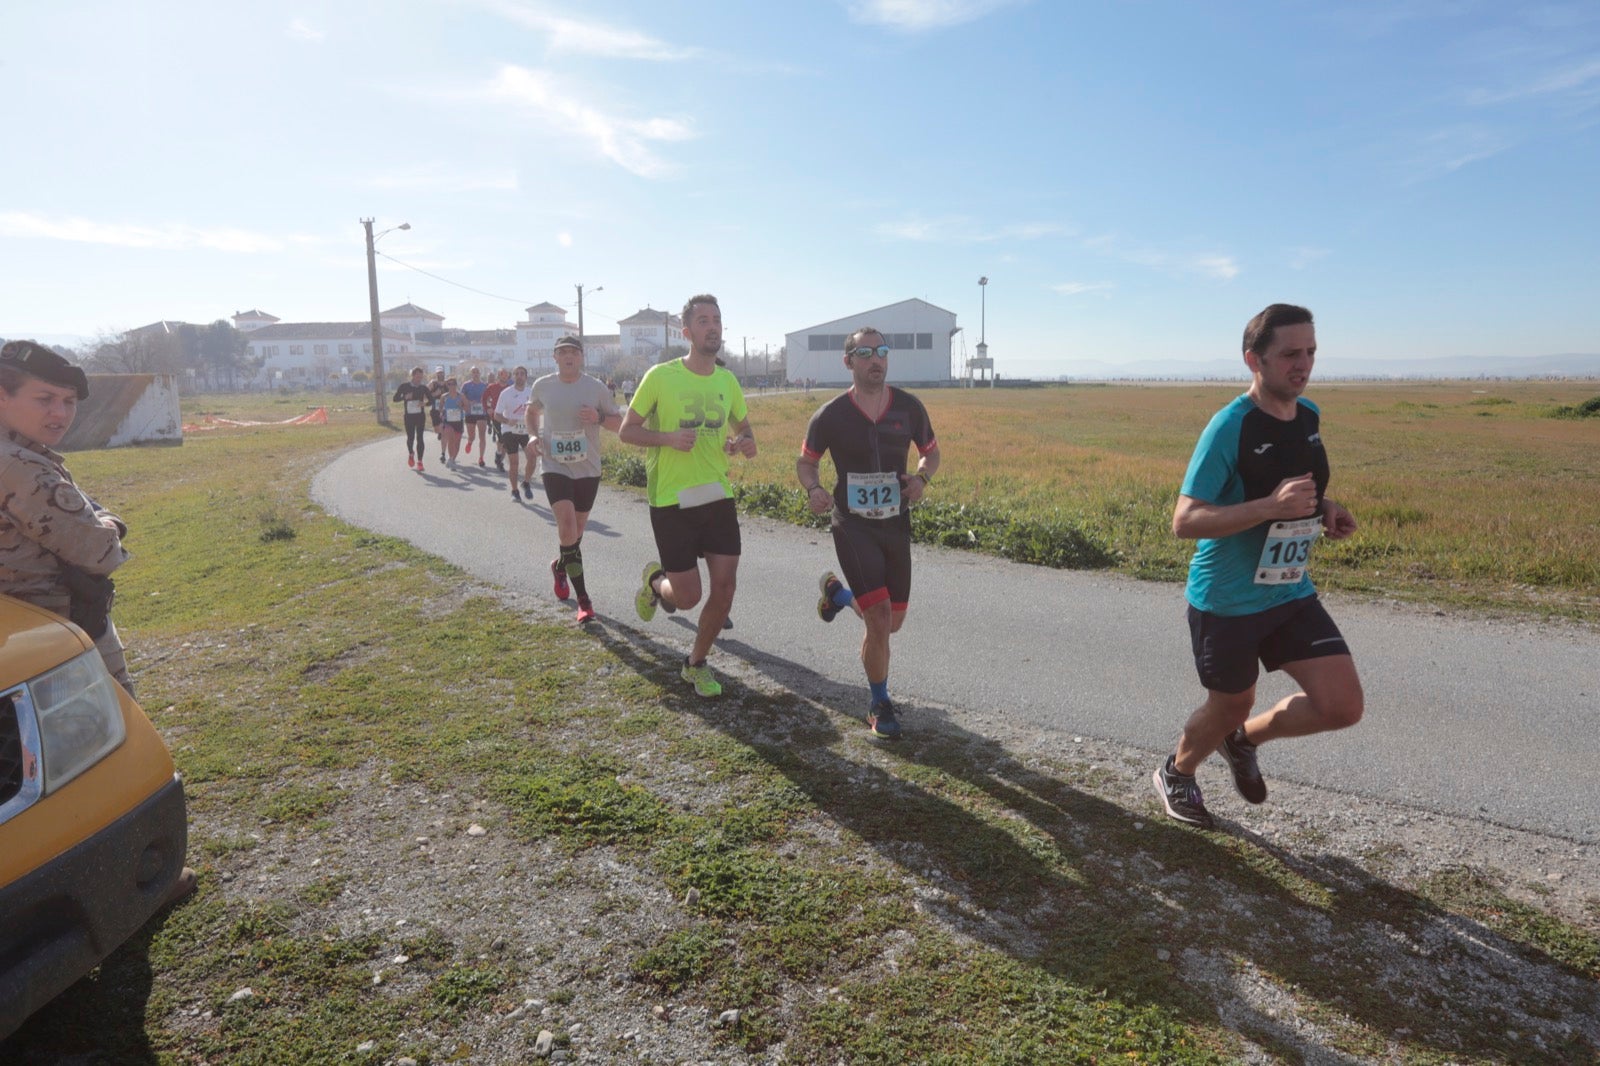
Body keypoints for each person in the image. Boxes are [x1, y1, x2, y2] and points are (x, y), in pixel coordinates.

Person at [0, 340, 196, 902]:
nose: (59, 413)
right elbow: (97, 551)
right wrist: (109, 520)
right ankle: (142, 879)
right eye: (44, 398)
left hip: (24, 635)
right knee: (111, 747)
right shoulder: (19, 464)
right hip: (61, 634)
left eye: (67, 401)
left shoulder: (21, 451)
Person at [1153, 303, 1364, 829]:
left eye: (1311, 351)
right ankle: (1177, 771)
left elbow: (1302, 488)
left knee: (1342, 705)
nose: (1304, 364)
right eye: (1290, 353)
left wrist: (1326, 510)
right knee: (1230, 701)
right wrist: (1269, 508)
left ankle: (1243, 739)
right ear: (1254, 360)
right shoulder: (1230, 427)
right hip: (1227, 598)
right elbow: (1185, 520)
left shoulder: (1308, 415)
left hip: (1287, 590)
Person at [796, 327, 939, 740]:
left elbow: (931, 452)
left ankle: (839, 596)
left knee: (892, 622)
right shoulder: (830, 414)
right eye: (865, 352)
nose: (876, 359)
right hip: (852, 523)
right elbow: (805, 463)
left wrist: (922, 480)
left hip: (895, 524)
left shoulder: (909, 407)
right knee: (877, 619)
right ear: (849, 361)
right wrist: (815, 488)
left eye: (882, 351)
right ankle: (880, 702)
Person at [620, 293, 756, 698]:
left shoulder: (727, 381)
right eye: (702, 321)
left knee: (726, 587)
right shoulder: (661, 376)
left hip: (717, 496)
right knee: (686, 597)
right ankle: (655, 581)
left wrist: (742, 444)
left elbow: (745, 431)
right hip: (672, 501)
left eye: (716, 319)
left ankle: (695, 663)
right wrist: (666, 438)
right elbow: (627, 430)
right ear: (686, 332)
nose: (712, 326)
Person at [528, 335, 622, 624]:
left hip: (587, 468)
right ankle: (584, 600)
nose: (568, 356)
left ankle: (560, 565)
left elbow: (619, 423)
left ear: (582, 357)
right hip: (554, 465)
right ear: (554, 357)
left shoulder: (596, 388)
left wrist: (597, 417)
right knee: (567, 526)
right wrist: (532, 435)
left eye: (573, 352)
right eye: (562, 352)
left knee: (576, 532)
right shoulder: (542, 385)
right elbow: (532, 412)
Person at [492, 366, 537, 501]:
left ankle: (526, 483)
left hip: (526, 430)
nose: (519, 376)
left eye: (522, 374)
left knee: (532, 458)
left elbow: (538, 412)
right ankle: (514, 491)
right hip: (509, 430)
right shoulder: (506, 393)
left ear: (526, 376)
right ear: (513, 377)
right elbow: (496, 415)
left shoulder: (532, 392)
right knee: (514, 462)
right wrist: (507, 420)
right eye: (516, 374)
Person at [393, 366, 433, 471]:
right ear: (413, 375)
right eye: (417, 377)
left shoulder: (423, 388)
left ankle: (420, 462)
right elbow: (395, 399)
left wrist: (424, 404)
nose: (419, 379)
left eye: (421, 377)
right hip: (409, 417)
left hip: (420, 416)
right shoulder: (404, 386)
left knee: (420, 438)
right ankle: (411, 453)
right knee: (410, 438)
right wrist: (404, 397)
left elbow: (432, 400)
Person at [460, 366, 490, 467]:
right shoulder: (466, 385)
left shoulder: (484, 385)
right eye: (473, 372)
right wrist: (468, 402)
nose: (476, 374)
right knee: (472, 436)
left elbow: (489, 398)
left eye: (477, 372)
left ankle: (481, 458)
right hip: (470, 413)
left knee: (482, 436)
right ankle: (469, 442)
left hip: (482, 413)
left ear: (480, 373)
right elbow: (461, 396)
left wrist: (487, 404)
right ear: (471, 374)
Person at [482, 368, 509, 471]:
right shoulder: (492, 387)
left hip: (507, 418)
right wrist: (487, 408)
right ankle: (499, 458)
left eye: (506, 375)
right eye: (502, 374)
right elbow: (484, 398)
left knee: (507, 442)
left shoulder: (510, 388)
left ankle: (499, 459)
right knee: (501, 438)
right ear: (499, 376)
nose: (504, 376)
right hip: (496, 417)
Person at [437, 378, 466, 469]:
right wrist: (442, 413)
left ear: (456, 385)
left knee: (457, 443)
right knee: (451, 440)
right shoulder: (444, 396)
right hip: (448, 421)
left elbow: (467, 408)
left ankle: (452, 459)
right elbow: (440, 408)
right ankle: (450, 458)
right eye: (449, 384)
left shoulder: (461, 396)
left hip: (458, 421)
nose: (451, 386)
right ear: (447, 385)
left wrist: (461, 406)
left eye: (453, 384)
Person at [427, 366, 448, 464]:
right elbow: (425, 395)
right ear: (436, 374)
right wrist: (435, 394)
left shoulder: (448, 383)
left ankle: (443, 453)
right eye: (439, 373)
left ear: (444, 373)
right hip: (435, 409)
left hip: (445, 410)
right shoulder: (433, 383)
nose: (440, 375)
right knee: (437, 429)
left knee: (443, 429)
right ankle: (439, 432)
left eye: (442, 373)